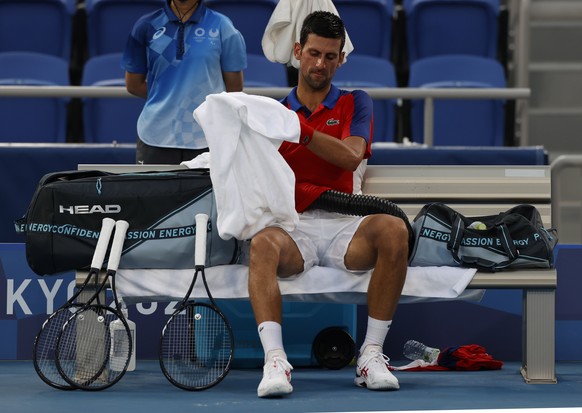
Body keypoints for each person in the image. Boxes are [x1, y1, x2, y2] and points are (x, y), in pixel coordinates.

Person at [248, 11, 409, 398]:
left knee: (395, 228)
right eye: (314, 54)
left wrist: (298, 131)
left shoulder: (357, 102)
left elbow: (352, 156)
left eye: (330, 56)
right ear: (299, 52)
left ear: (340, 59)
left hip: (345, 225)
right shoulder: (273, 114)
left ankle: (371, 354)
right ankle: (275, 362)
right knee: (260, 245)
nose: (321, 64)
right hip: (293, 226)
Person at [121, 0, 247, 164]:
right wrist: (169, 98)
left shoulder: (223, 26)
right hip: (155, 136)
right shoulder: (145, 25)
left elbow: (234, 89)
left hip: (207, 137)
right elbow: (133, 85)